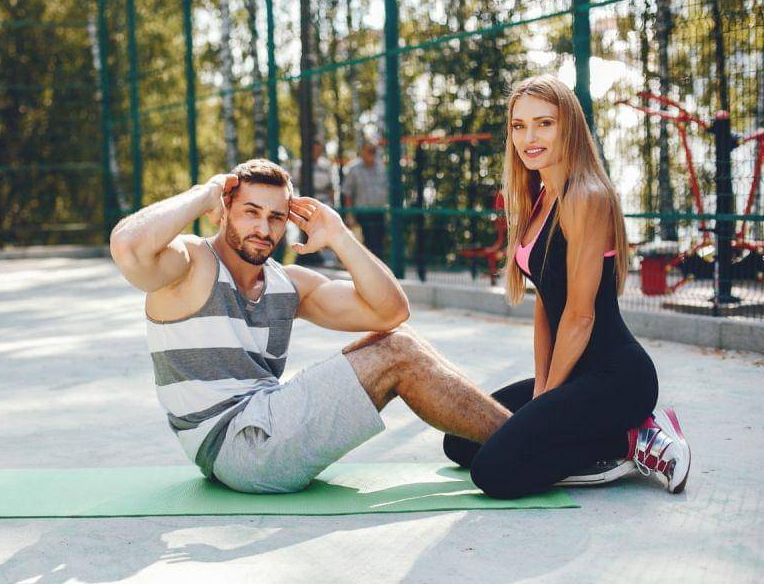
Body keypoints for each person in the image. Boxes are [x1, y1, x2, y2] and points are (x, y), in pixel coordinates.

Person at [109, 158, 511, 493]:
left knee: (399, 342)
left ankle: (501, 439)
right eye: (250, 212)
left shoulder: (287, 284)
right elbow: (129, 247)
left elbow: (390, 313)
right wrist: (204, 192)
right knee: (398, 354)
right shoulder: (191, 263)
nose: (263, 230)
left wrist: (338, 235)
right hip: (238, 445)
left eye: (276, 218)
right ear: (225, 209)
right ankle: (527, 444)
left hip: (263, 430)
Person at [441, 75, 692, 497]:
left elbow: (579, 315)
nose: (529, 137)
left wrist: (546, 401)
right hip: (573, 373)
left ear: (569, 127)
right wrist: (542, 387)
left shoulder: (586, 196)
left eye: (544, 123)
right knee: (460, 440)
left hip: (617, 379)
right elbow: (546, 306)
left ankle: (634, 440)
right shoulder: (539, 198)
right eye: (519, 126)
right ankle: (603, 437)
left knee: (494, 473)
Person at [290, 140, 337, 267]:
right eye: (314, 149)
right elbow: (294, 184)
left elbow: (331, 186)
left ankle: (323, 258)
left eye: (318, 149)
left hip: (324, 203)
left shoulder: (326, 165)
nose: (316, 152)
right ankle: (305, 255)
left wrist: (333, 204)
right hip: (306, 204)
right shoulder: (300, 165)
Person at [342, 142, 389, 260]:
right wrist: (349, 214)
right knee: (368, 245)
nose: (372, 153)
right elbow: (347, 193)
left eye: (374, 150)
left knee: (380, 245)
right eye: (369, 150)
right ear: (362, 151)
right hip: (363, 213)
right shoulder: (354, 169)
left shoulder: (381, 167)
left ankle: (379, 272)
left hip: (380, 212)